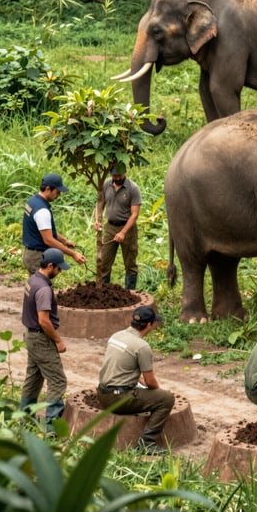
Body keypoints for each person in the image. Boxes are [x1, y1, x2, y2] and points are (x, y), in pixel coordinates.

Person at [97, 305, 175, 454]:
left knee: (151, 393)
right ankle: (147, 443)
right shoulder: (142, 346)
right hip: (119, 399)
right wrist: (159, 392)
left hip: (102, 394)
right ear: (149, 325)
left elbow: (128, 372)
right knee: (167, 399)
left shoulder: (117, 335)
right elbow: (150, 382)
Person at [19, 247, 72, 426]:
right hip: (41, 339)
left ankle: (25, 419)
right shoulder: (43, 290)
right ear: (50, 266)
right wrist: (58, 340)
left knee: (33, 379)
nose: (60, 271)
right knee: (58, 380)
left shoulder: (33, 279)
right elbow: (44, 321)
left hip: (30, 336)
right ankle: (53, 427)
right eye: (59, 268)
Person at [22, 172, 86, 275]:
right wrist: (73, 254)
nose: (59, 195)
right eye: (57, 192)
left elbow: (44, 229)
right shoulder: (42, 210)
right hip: (37, 257)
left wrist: (64, 240)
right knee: (43, 288)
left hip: (30, 253)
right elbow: (48, 240)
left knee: (34, 287)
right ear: (48, 189)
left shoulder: (32, 202)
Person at [94, 163, 142, 290]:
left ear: (125, 172)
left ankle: (130, 292)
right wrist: (97, 220)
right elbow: (99, 204)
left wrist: (123, 232)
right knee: (104, 261)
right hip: (110, 227)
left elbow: (134, 215)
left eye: (119, 175)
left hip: (128, 228)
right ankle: (104, 290)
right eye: (114, 175)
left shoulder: (133, 188)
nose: (117, 178)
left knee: (130, 262)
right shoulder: (106, 184)